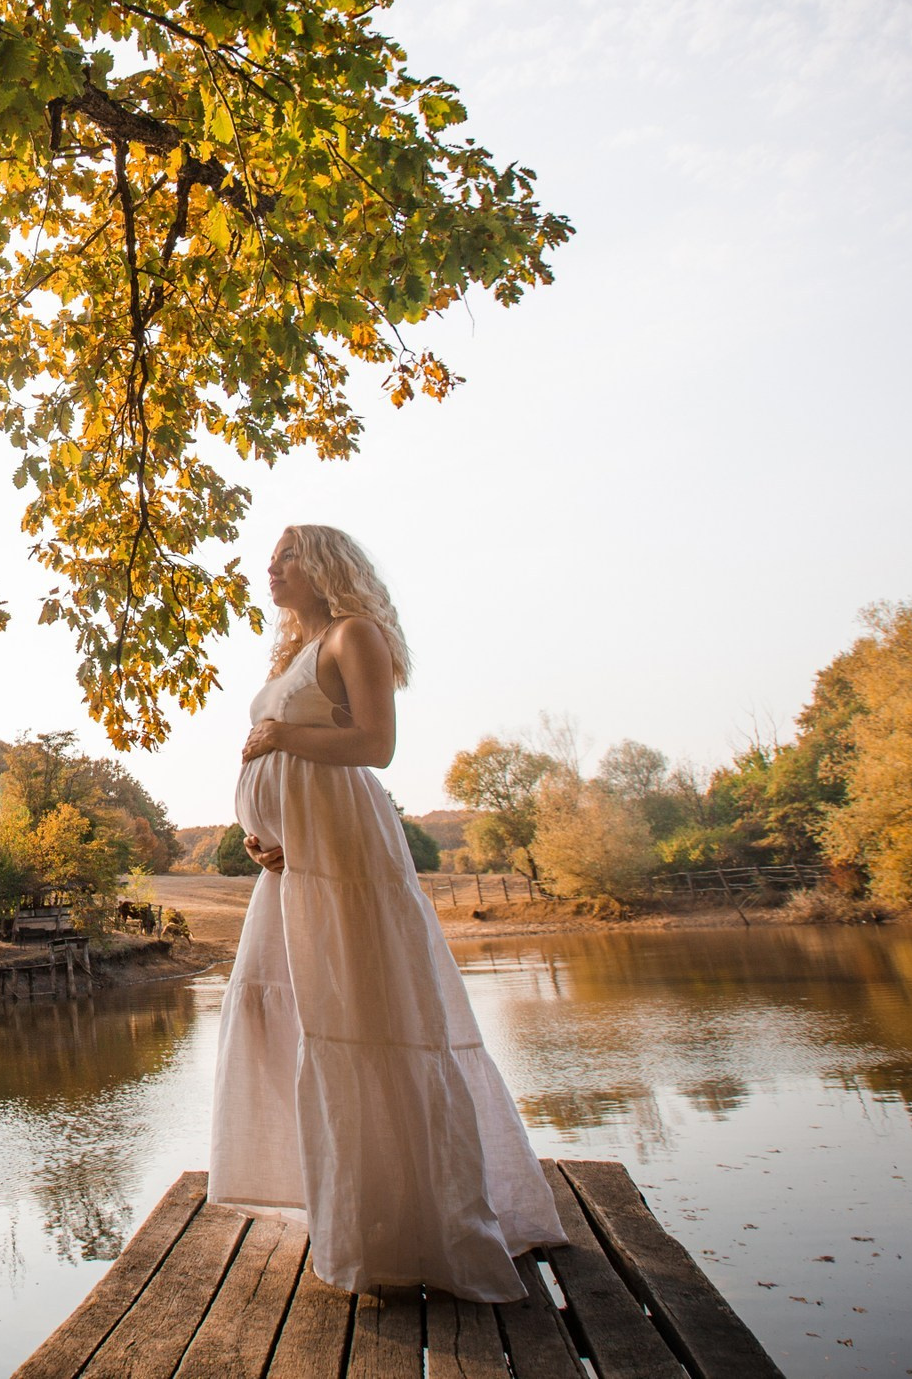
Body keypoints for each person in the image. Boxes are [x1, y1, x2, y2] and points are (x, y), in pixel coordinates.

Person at [210, 524, 562, 1301]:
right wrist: (262, 834)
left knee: (369, 1015)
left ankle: (423, 1225)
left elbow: (375, 744)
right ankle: (358, 1216)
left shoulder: (354, 633)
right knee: (306, 1021)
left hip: (349, 859)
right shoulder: (294, 654)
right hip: (300, 865)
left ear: (327, 565)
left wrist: (279, 734)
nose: (270, 569)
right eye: (269, 560)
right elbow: (287, 763)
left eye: (286, 556)